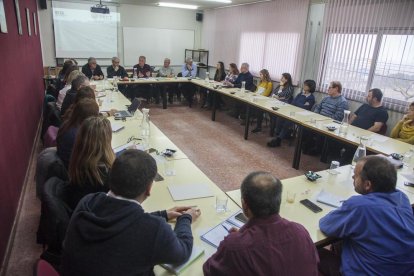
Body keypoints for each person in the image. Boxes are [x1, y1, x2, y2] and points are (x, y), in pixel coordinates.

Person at [61, 149, 201, 276]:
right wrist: (186, 219)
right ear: (149, 188)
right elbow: (182, 252)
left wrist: (162, 214)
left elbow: (119, 219)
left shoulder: (88, 201)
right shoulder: (153, 230)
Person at [203, 171, 319, 275]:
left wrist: (236, 240)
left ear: (245, 205)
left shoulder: (235, 246)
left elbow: (209, 270)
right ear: (278, 200)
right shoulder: (300, 231)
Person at [318, 156, 414, 275]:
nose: (353, 177)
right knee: (342, 241)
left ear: (368, 184)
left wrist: (347, 208)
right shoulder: (402, 198)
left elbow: (326, 225)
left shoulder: (360, 206)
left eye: (356, 175)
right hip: (402, 270)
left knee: (310, 251)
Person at [65, 116, 115, 210]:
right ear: (106, 142)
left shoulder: (79, 161)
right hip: (94, 216)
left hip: (80, 210)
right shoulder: (106, 176)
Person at [304, 81, 349, 155]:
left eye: (330, 88)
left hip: (330, 124)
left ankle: (317, 150)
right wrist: (316, 116)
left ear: (336, 89)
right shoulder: (326, 98)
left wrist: (323, 120)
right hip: (319, 120)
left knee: (321, 130)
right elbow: (318, 108)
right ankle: (307, 146)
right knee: (306, 126)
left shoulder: (342, 102)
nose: (328, 89)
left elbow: (337, 117)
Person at [267, 79, 316, 146]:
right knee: (280, 117)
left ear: (310, 87)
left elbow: (305, 108)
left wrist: (298, 104)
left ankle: (279, 139)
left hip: (300, 114)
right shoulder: (300, 94)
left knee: (288, 122)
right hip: (292, 111)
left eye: (306, 85)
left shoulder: (311, 98)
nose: (304, 86)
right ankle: (278, 135)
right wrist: (300, 104)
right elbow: (293, 103)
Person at [56, 99, 99, 168]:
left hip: (68, 163)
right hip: (73, 170)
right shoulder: (78, 135)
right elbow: (91, 157)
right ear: (89, 118)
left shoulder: (69, 123)